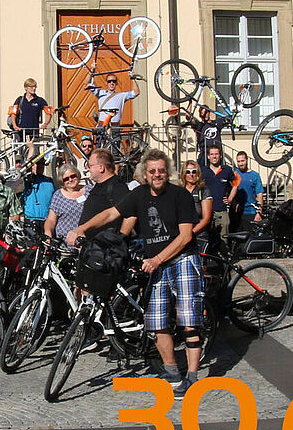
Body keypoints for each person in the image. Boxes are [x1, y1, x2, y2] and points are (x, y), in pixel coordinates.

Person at [69, 149, 202, 399]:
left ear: (168, 172)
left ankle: (192, 377)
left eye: (161, 170)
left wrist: (158, 259)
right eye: (152, 171)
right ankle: (172, 372)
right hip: (157, 264)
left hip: (182, 260)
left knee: (188, 321)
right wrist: (82, 228)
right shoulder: (139, 194)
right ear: (144, 174)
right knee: (157, 321)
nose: (157, 175)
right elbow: (111, 214)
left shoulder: (180, 195)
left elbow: (186, 236)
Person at [70, 149, 132, 241]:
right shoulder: (98, 185)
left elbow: (130, 215)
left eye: (90, 165)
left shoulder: (117, 186)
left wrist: (121, 241)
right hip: (92, 247)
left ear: (101, 167)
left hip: (107, 249)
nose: (88, 169)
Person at [86, 70, 140, 146]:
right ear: (106, 83)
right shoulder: (100, 93)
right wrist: (91, 71)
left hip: (115, 126)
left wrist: (133, 78)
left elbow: (136, 92)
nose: (111, 83)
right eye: (109, 81)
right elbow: (87, 84)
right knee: (100, 148)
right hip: (102, 125)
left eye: (114, 81)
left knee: (115, 150)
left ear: (116, 83)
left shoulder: (121, 96)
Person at [202, 144, 239, 236]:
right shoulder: (202, 171)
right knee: (207, 240)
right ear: (208, 156)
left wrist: (230, 199)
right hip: (206, 211)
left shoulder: (227, 170)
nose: (214, 156)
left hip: (221, 210)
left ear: (220, 155)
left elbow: (235, 184)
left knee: (224, 239)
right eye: (212, 154)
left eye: (216, 154)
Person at [44, 164, 88, 243]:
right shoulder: (58, 195)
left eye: (73, 176)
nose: (70, 180)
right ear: (62, 181)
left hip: (87, 241)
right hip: (65, 243)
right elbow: (51, 220)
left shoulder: (89, 190)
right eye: (66, 179)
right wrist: (48, 235)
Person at [20, 140, 55, 230]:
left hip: (47, 222)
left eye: (41, 163)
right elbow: (27, 167)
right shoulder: (29, 179)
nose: (39, 166)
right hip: (31, 221)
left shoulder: (49, 181)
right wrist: (31, 148)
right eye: (36, 163)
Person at [181, 160, 213, 253]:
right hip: (181, 235)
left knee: (201, 264)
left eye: (194, 171)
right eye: (188, 171)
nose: (191, 174)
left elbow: (206, 218)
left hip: (199, 234)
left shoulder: (203, 190)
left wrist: (191, 233)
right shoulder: (179, 191)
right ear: (184, 174)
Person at [231, 151, 264, 231]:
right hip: (237, 213)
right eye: (238, 161)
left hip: (251, 212)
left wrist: (259, 213)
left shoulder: (255, 175)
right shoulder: (234, 174)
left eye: (242, 161)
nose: (240, 164)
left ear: (247, 160)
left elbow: (259, 195)